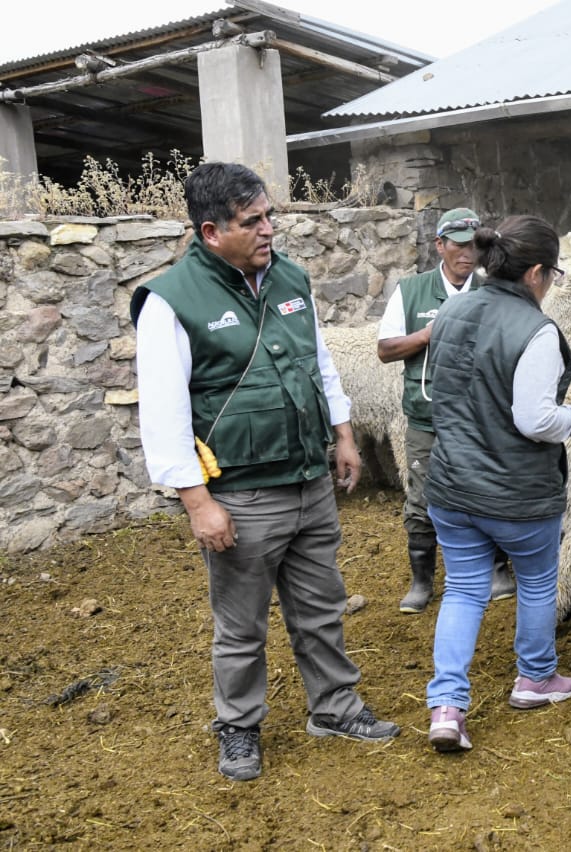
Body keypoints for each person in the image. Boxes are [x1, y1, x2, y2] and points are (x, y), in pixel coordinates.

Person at [131, 162, 400, 783]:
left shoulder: (289, 278)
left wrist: (342, 434)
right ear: (210, 231)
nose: (268, 229)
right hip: (241, 491)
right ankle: (239, 728)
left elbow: (318, 363)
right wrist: (198, 502)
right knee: (241, 624)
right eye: (252, 222)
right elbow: (164, 413)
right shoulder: (171, 302)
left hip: (309, 478)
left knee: (322, 607)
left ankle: (334, 709)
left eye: (269, 216)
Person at [422, 214, 571, 753]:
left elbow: (436, 391)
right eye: (553, 273)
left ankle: (446, 705)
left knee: (463, 590)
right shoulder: (537, 331)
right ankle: (534, 679)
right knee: (535, 582)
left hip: (451, 484)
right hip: (517, 493)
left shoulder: (451, 310)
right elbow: (535, 420)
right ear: (535, 273)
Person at [376, 208, 514, 614]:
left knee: (486, 490)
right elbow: (385, 349)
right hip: (427, 414)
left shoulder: (493, 290)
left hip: (481, 417)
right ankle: (422, 580)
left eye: (474, 245)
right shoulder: (412, 290)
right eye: (457, 244)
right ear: (440, 245)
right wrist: (427, 334)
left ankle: (496, 569)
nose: (466, 253)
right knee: (422, 497)